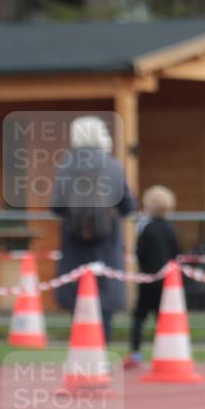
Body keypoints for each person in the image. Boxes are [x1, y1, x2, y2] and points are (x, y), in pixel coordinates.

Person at [50, 116, 136, 343]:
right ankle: (101, 353)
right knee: (104, 302)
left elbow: (56, 205)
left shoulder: (66, 165)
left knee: (77, 299)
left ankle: (80, 352)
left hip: (75, 245)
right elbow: (128, 205)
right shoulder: (113, 165)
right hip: (107, 246)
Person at [124, 185, 181, 369]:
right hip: (166, 282)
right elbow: (175, 253)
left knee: (139, 317)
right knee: (163, 319)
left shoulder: (146, 228)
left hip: (148, 280)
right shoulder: (170, 229)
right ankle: (167, 351)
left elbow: (140, 252)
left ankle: (135, 352)